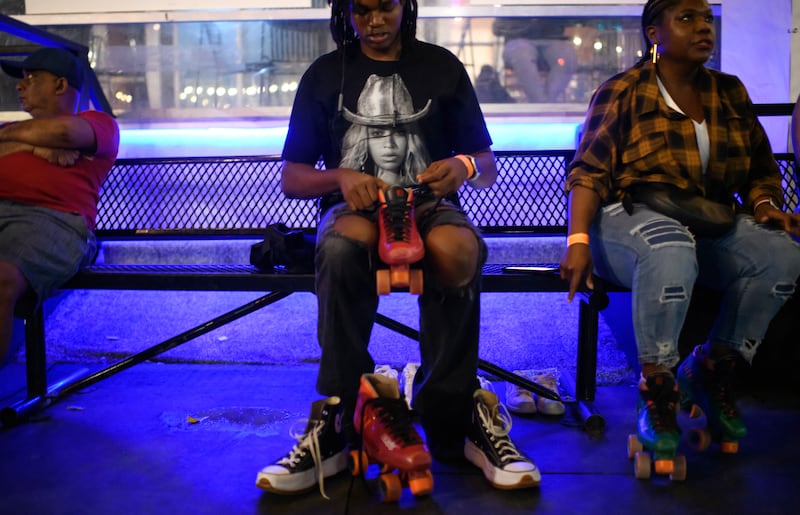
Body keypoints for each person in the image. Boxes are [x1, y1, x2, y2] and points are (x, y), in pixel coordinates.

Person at [256, 0, 539, 497]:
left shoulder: (442, 66)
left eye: (384, 7)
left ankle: (451, 411)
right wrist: (341, 177)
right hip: (354, 209)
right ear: (346, 13)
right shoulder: (324, 74)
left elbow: (486, 166)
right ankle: (345, 411)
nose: (374, 21)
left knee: (460, 251)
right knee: (342, 248)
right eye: (360, 10)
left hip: (430, 205)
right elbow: (292, 178)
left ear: (404, 6)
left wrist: (462, 167)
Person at [561, 0, 800, 465]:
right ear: (655, 33)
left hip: (708, 220)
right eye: (686, 18)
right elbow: (588, 173)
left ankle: (712, 369)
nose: (702, 27)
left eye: (706, 18)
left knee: (781, 257)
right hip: (627, 218)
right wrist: (577, 241)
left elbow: (760, 169)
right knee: (670, 247)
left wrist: (767, 206)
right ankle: (658, 388)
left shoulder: (729, 92)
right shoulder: (624, 90)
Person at [0, 47, 120, 364]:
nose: (19, 85)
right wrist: (32, 144)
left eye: (31, 77)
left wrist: (11, 139)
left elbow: (65, 132)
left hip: (54, 222)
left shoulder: (98, 122)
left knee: (1, 278)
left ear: (60, 85)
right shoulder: (19, 129)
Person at [493, 17, 578, 103]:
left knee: (566, 57)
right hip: (518, 39)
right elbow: (497, 28)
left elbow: (572, 18)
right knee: (522, 57)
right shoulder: (511, 3)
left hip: (553, 38)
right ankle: (541, 105)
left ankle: (548, 103)